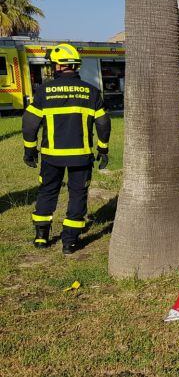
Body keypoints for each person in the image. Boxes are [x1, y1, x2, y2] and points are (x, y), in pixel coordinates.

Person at [22, 43, 111, 254]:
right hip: (80, 157)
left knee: (48, 191)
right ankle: (69, 242)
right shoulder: (91, 92)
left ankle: (41, 237)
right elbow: (103, 123)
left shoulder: (44, 91)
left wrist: (29, 149)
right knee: (78, 194)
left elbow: (30, 122)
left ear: (60, 66)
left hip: (52, 156)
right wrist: (103, 149)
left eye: (53, 64)